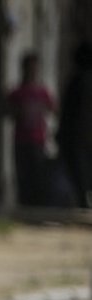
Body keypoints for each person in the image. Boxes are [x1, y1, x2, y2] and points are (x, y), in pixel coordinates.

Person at [6, 51, 57, 206]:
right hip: (21, 139)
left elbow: (53, 109)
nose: (32, 71)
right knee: (23, 173)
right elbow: (8, 112)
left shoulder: (43, 92)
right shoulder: (16, 92)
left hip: (38, 139)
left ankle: (37, 202)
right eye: (30, 67)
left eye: (35, 68)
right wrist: (18, 111)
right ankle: (24, 202)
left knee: (37, 173)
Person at [58, 42, 92, 208]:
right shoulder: (80, 80)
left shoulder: (80, 81)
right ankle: (82, 199)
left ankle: (83, 199)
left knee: (79, 169)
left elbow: (71, 111)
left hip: (78, 135)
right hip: (81, 135)